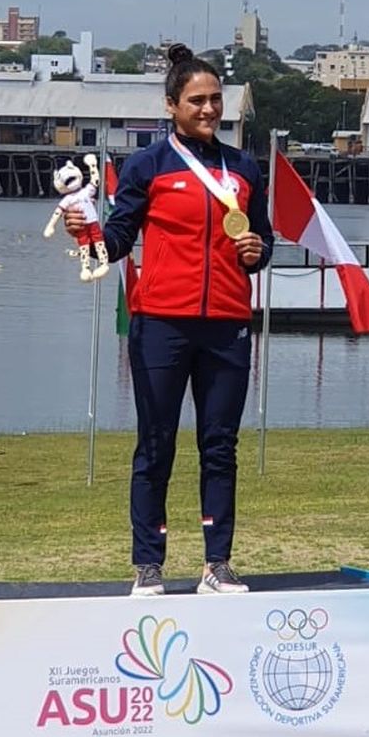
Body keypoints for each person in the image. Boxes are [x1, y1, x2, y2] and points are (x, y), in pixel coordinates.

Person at [64, 43, 273, 596]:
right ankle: (148, 565)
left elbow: (264, 238)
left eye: (215, 100)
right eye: (196, 100)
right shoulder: (148, 166)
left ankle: (217, 564)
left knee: (220, 445)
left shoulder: (245, 169)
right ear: (172, 106)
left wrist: (258, 249)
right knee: (156, 444)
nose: (208, 109)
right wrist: (84, 233)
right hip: (161, 324)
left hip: (227, 322)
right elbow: (113, 244)